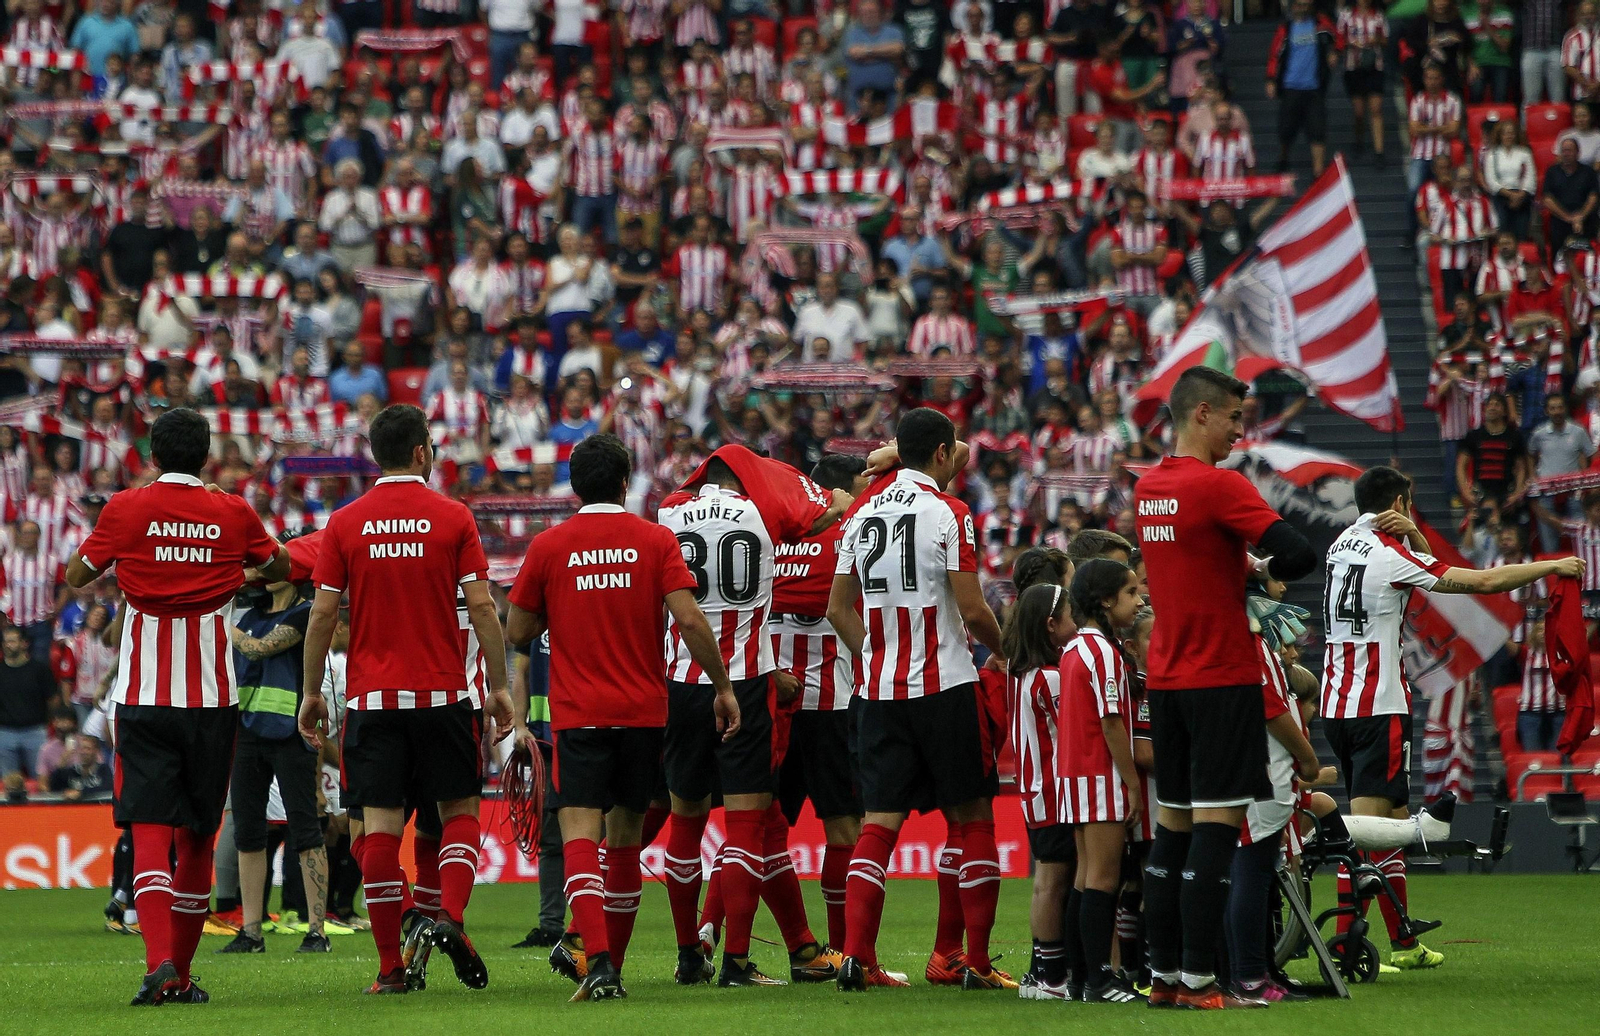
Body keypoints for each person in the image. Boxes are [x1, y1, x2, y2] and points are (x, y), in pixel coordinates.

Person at [64, 407, 290, 1006]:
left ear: (153, 456)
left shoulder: (126, 508)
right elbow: (281, 568)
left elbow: (76, 574)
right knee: (195, 837)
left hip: (141, 697)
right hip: (212, 699)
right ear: (206, 455)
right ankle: (182, 976)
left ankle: (158, 964)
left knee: (149, 834)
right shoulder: (232, 510)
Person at [1321, 466, 1583, 970]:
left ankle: (1401, 941)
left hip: (1338, 703)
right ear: (1399, 503)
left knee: (1393, 823)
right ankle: (1342, 946)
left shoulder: (1341, 546)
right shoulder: (1391, 555)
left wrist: (1414, 533)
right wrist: (1549, 566)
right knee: (1368, 829)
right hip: (1379, 707)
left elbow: (1407, 557)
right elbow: (1483, 581)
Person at [504, 433, 737, 1002]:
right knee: (626, 839)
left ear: (575, 486)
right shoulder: (654, 540)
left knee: (581, 835)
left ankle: (600, 964)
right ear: (626, 481)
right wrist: (724, 685)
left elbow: (516, 631)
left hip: (579, 713)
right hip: (642, 712)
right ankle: (615, 965)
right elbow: (689, 619)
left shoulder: (549, 546)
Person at [297, 403, 514, 996]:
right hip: (444, 694)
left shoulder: (345, 522)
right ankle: (450, 918)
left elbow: (321, 613)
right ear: (422, 452)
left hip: (372, 700)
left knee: (380, 830)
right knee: (458, 814)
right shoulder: (453, 517)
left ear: (376, 454)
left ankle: (391, 968)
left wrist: (313, 691)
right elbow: (484, 607)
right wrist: (498, 687)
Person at [1131, 366, 1317, 1010]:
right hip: (1221, 677)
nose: (1242, 430)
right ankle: (1201, 982)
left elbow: (1196, 563)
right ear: (1203, 414)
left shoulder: (1149, 488)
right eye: (1235, 417)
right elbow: (1299, 555)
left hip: (1168, 681)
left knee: (1171, 831)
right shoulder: (1220, 487)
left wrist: (1243, 565)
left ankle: (1162, 978)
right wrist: (1266, 567)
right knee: (1218, 831)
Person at [827, 408, 1009, 992]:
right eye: (954, 450)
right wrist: (1008, 651)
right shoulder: (950, 514)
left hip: (879, 692)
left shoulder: (859, 514)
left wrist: (875, 655)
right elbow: (975, 610)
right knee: (972, 818)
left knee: (878, 824)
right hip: (946, 685)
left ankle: (857, 957)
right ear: (940, 455)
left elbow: (837, 608)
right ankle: (973, 962)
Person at [658, 447, 850, 987]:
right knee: (746, 828)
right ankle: (737, 961)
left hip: (681, 682)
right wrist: (832, 498)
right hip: (743, 681)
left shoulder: (668, 512)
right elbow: (823, 512)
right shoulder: (762, 514)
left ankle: (688, 953)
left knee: (685, 825)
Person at [770, 454, 871, 956]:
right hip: (830, 704)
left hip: (773, 701)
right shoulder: (846, 536)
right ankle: (845, 949)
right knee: (845, 829)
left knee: (759, 830)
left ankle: (707, 936)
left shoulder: (770, 539)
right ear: (837, 492)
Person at [216, 571, 330, 955]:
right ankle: (252, 931)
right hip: (247, 733)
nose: (262, 578)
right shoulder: (249, 613)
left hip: (291, 734)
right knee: (249, 833)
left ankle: (317, 930)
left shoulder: (304, 614)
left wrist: (223, 626)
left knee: (305, 828)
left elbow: (258, 649)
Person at [1058, 559, 1147, 1003]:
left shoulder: (1074, 649)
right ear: (1107, 600)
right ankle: (1099, 979)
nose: (1139, 600)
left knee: (1084, 879)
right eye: (1131, 593)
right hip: (1099, 776)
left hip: (1075, 776)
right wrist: (1131, 782)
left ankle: (1079, 977)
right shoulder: (1103, 654)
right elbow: (1111, 722)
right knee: (1104, 880)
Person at [1264, 0, 1337, 175]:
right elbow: (1275, 55)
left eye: (1306, 4)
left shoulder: (1321, 25)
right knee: (1286, 129)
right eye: (1299, 4)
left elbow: (1337, 39)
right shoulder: (1286, 29)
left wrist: (1334, 53)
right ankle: (1283, 158)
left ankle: (1317, 172)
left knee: (1318, 130)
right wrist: (1271, 79)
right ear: (1293, 6)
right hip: (1291, 87)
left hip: (1314, 88)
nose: (1302, 8)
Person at [0, 625, 59, 788]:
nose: (7, 645)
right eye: (5, 641)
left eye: (12, 641)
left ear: (24, 643)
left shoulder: (39, 669)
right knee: (9, 785)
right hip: (5, 733)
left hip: (35, 732)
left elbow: (53, 700)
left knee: (40, 781)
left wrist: (46, 724)